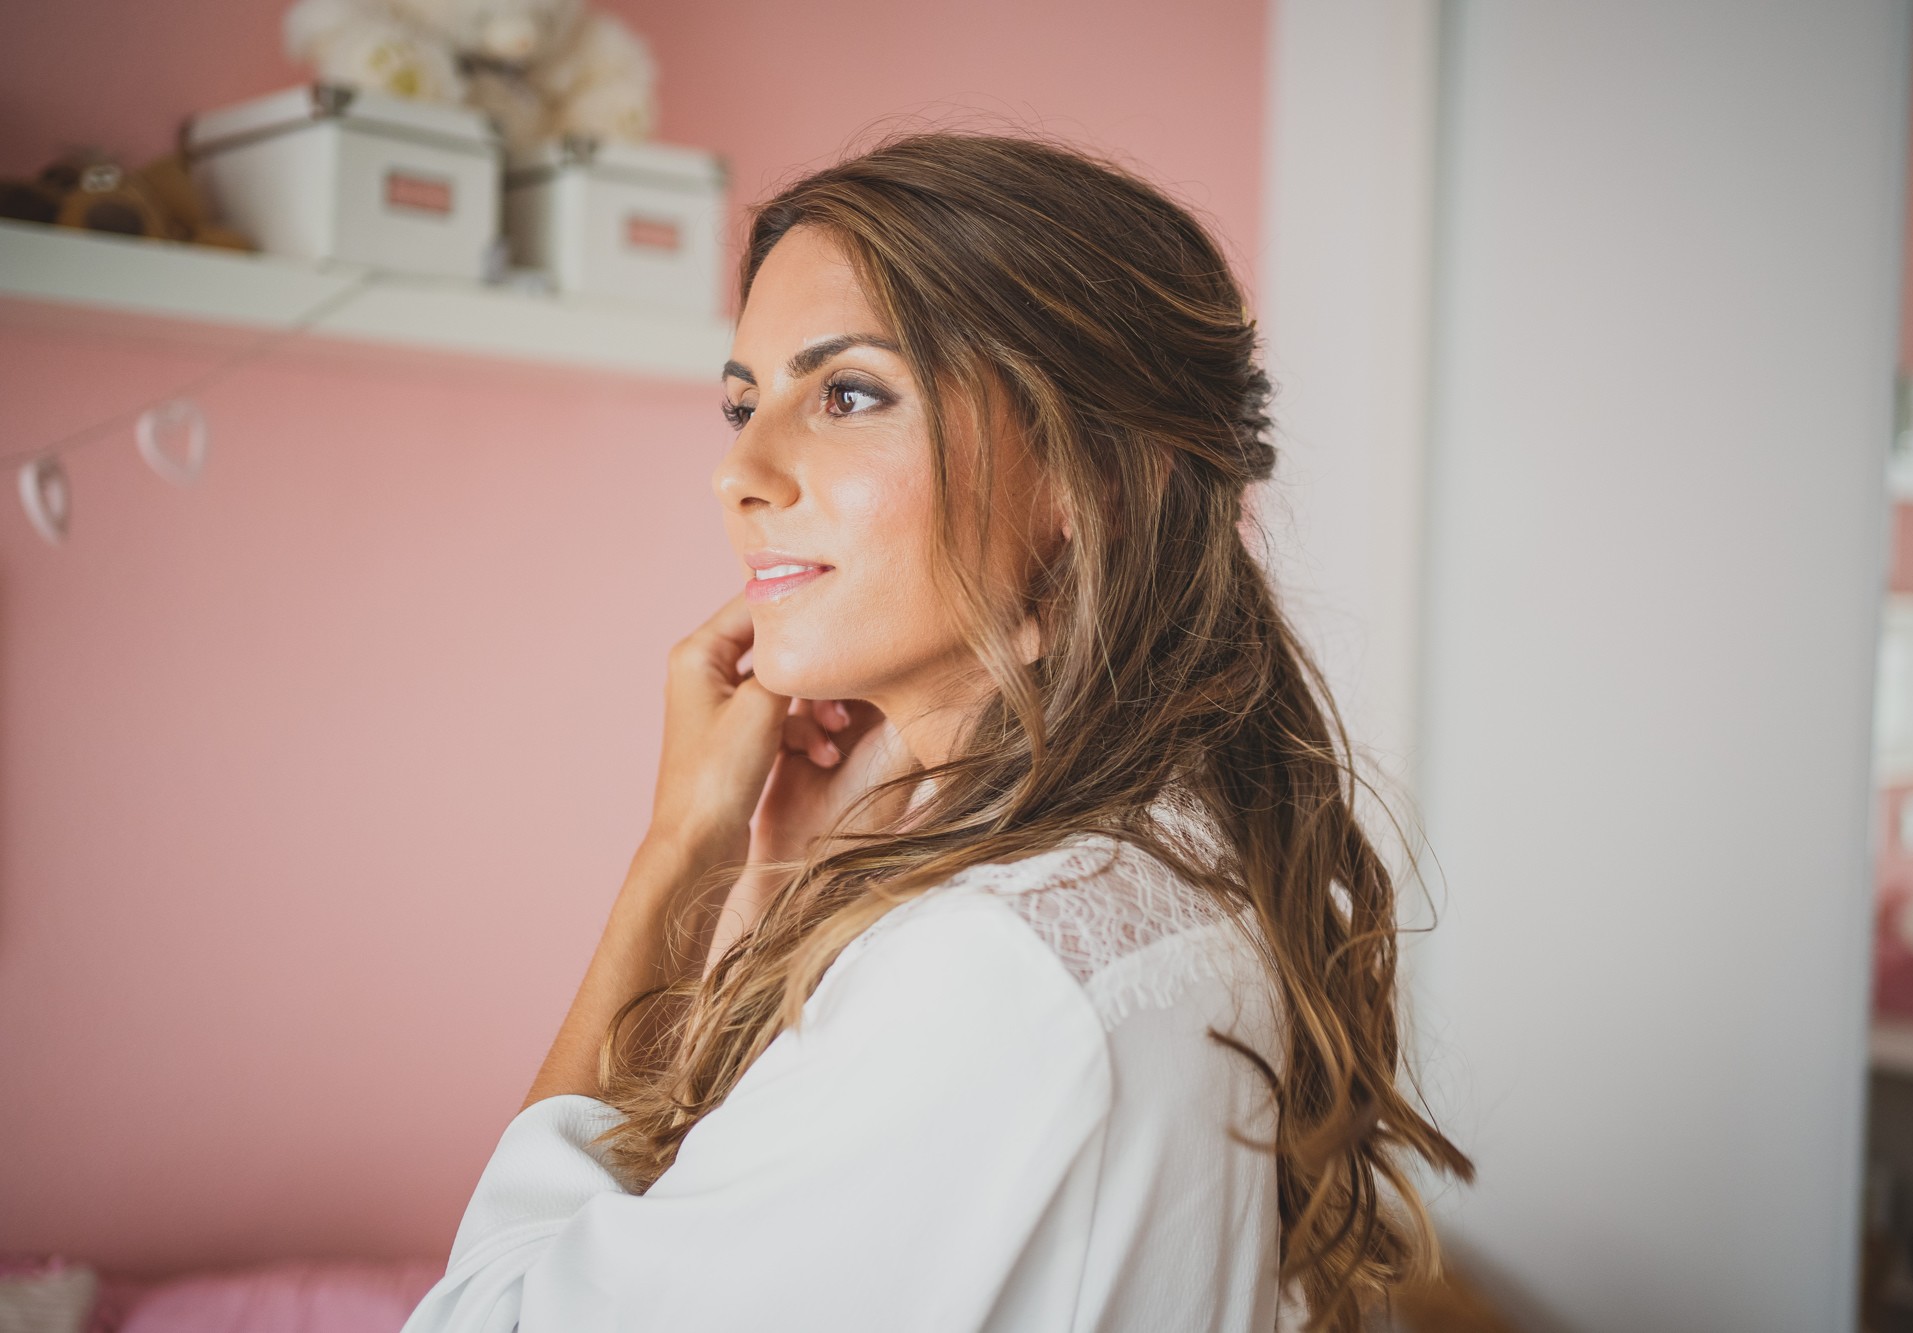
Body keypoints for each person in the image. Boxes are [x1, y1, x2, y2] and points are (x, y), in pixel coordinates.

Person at [400, 131, 1470, 1333]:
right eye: (742, 401)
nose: (737, 470)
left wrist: (675, 858)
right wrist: (774, 881)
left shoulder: (990, 970)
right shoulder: (1155, 862)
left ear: (1089, 481)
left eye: (847, 392)